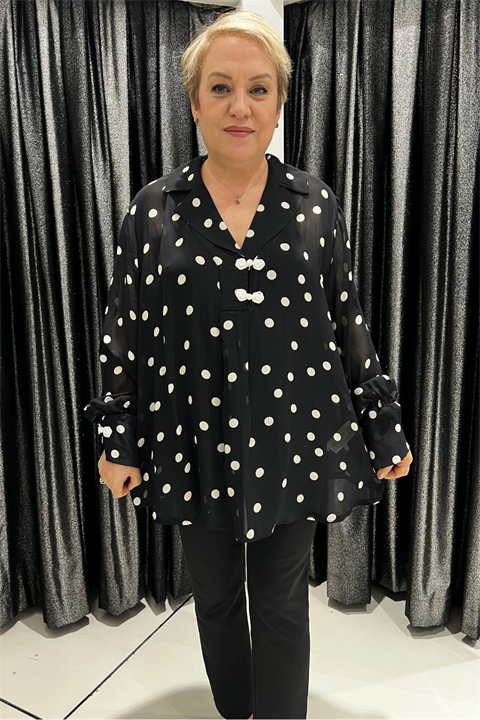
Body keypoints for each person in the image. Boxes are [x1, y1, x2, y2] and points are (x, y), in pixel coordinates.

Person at [83, 9, 413, 720]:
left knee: (281, 601)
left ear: (279, 103)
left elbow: (346, 321)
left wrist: (382, 424)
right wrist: (117, 439)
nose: (240, 106)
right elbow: (123, 335)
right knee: (217, 599)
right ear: (195, 102)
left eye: (259, 89)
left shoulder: (314, 204)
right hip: (191, 440)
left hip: (293, 437)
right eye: (221, 88)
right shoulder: (153, 210)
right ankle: (236, 712)